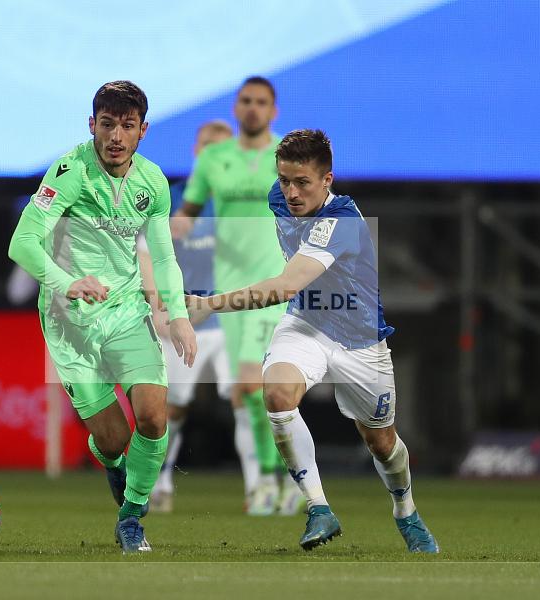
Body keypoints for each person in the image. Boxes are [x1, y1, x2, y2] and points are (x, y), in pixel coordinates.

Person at [186, 129, 439, 553]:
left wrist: (210, 305)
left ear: (327, 180)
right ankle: (319, 508)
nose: (290, 191)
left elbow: (286, 285)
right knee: (278, 392)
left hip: (360, 342)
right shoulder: (277, 197)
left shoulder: (340, 221)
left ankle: (406, 511)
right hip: (305, 326)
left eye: (302, 182)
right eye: (284, 179)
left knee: (382, 442)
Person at [8, 80, 197, 554]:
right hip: (70, 321)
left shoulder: (152, 182)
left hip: (127, 311)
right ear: (92, 125)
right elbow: (22, 242)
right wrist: (64, 281)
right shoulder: (70, 171)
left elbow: (164, 255)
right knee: (114, 441)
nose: (116, 136)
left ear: (143, 131)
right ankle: (110, 459)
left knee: (153, 418)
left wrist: (177, 315)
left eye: (127, 126)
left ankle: (131, 518)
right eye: (107, 124)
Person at [172, 76, 302, 516]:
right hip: (229, 291)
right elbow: (188, 211)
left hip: (275, 283)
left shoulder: (288, 154)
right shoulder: (213, 158)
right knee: (249, 390)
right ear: (235, 107)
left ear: (273, 111)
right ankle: (274, 479)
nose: (252, 109)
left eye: (261, 102)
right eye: (245, 101)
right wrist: (173, 228)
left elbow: (311, 204)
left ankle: (280, 480)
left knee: (263, 384)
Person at [138, 120, 259, 513]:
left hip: (231, 322)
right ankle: (161, 483)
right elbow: (146, 256)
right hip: (184, 318)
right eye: (207, 146)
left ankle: (259, 488)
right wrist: (162, 308)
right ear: (196, 151)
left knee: (248, 398)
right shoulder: (171, 200)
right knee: (172, 406)